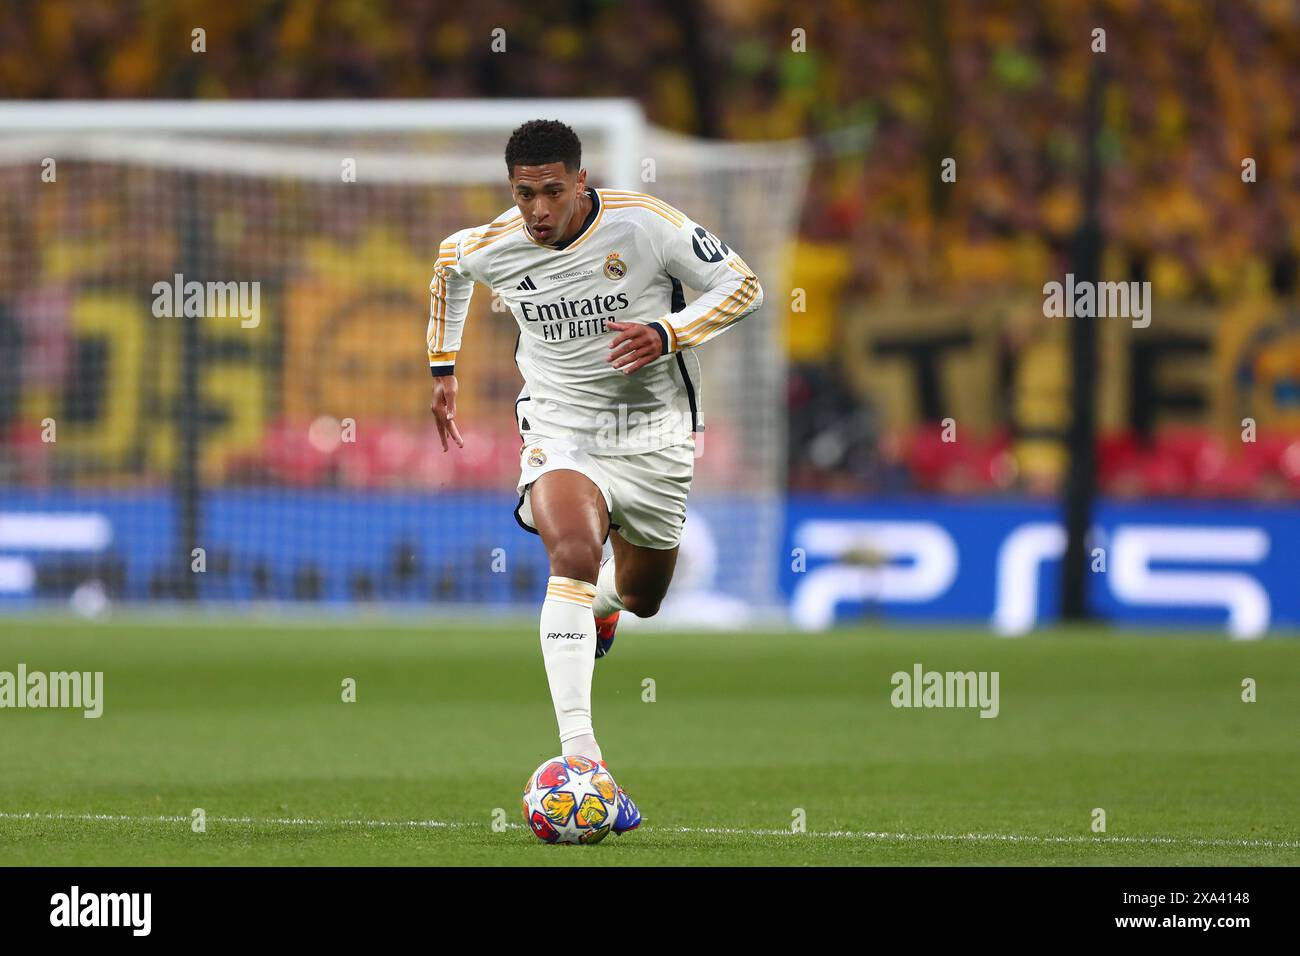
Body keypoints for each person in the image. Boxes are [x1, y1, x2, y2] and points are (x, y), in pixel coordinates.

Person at [427, 119, 763, 835]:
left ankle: (606, 604)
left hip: (655, 436)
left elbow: (744, 286)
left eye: (552, 191)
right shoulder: (500, 243)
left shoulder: (645, 227)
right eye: (525, 194)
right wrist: (442, 368)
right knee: (572, 553)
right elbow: (449, 266)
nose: (539, 210)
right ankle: (585, 759)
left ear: (581, 181)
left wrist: (669, 332)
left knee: (644, 596)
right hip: (560, 427)